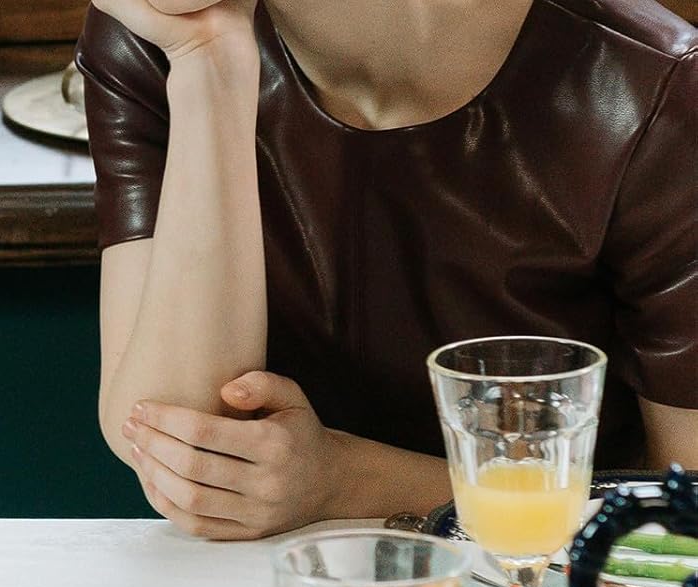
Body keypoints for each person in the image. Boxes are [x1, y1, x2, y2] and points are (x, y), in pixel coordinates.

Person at [77, 0, 698, 539]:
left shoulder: (654, 83)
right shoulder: (160, 35)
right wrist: (209, 64)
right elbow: (182, 443)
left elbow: (685, 505)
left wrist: (347, 481)